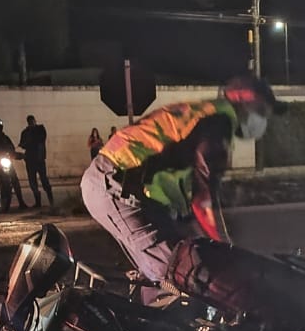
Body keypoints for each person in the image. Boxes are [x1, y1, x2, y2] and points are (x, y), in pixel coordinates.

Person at [80, 74, 284, 303]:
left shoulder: (204, 114)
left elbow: (176, 182)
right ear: (241, 96)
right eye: (261, 109)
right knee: (179, 273)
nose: (263, 119)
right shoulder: (218, 122)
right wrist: (227, 249)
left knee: (160, 274)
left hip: (114, 182)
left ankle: (147, 328)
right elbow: (203, 199)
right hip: (118, 184)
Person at [19, 114, 51, 207]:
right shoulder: (25, 132)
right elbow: (23, 144)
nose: (32, 123)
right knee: (33, 182)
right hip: (30, 159)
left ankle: (51, 201)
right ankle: (38, 202)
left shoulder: (40, 129)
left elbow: (41, 139)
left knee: (44, 180)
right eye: (30, 122)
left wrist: (28, 141)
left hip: (39, 159)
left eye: (32, 121)